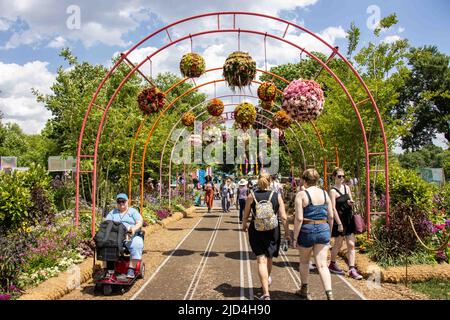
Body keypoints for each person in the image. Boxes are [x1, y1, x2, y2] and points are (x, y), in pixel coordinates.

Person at [242, 173, 291, 300]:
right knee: (269, 258)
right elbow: (284, 217)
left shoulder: (251, 196)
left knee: (261, 260)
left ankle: (266, 293)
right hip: (272, 230)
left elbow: (246, 215)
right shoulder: (277, 196)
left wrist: (244, 225)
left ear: (258, 181)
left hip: (256, 230)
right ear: (270, 181)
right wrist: (287, 234)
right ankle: (266, 281)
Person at [293, 169, 334, 300]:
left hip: (307, 230)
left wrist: (294, 237)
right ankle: (329, 294)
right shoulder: (325, 194)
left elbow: (299, 218)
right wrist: (330, 233)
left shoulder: (301, 195)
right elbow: (331, 216)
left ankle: (304, 289)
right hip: (323, 229)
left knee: (304, 262)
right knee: (322, 265)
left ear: (305, 180)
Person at [329, 168, 363, 280]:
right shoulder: (332, 191)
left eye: (343, 176)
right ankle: (332, 263)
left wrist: (350, 203)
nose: (342, 178)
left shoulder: (347, 187)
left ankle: (352, 269)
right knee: (338, 244)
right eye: (339, 176)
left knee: (351, 245)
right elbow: (333, 208)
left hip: (348, 218)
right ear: (334, 177)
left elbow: (350, 201)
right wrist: (338, 223)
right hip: (340, 220)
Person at [105, 193, 144, 278]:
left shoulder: (133, 211)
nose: (121, 203)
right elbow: (106, 223)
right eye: (119, 202)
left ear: (127, 201)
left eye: (123, 201)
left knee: (137, 243)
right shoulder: (113, 213)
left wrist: (133, 228)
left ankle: (131, 269)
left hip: (130, 235)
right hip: (116, 236)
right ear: (117, 203)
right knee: (105, 244)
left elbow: (139, 222)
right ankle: (108, 269)